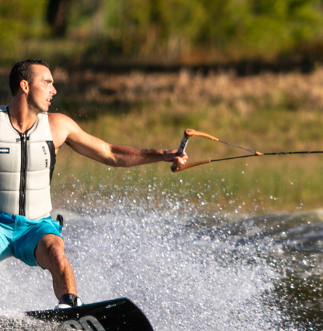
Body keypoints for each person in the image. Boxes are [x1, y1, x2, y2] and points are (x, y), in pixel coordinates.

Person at [0, 59, 188, 309]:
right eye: (47, 83)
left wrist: (160, 154)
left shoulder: (57, 126)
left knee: (56, 251)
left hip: (36, 227)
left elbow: (110, 153)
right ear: (24, 86)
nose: (53, 90)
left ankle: (70, 310)